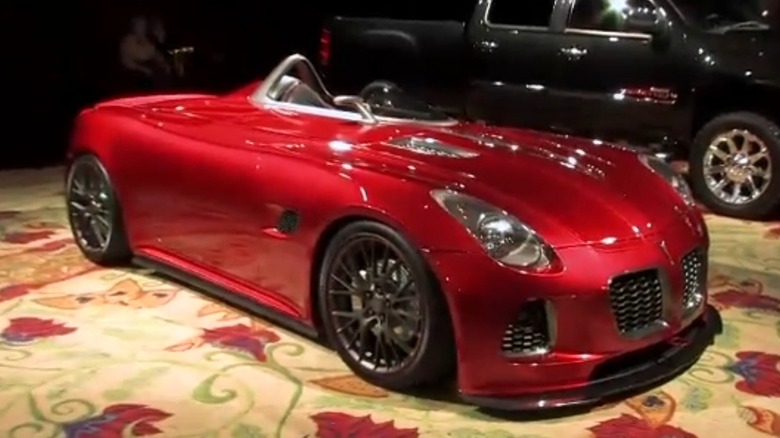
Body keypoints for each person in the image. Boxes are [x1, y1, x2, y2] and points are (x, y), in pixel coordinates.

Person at [118, 16, 170, 93]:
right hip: (135, 71)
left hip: (150, 66)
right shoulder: (128, 41)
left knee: (162, 72)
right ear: (133, 27)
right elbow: (127, 61)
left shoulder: (148, 39)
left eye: (143, 25)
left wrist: (164, 63)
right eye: (139, 25)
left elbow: (155, 54)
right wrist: (142, 69)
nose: (142, 28)